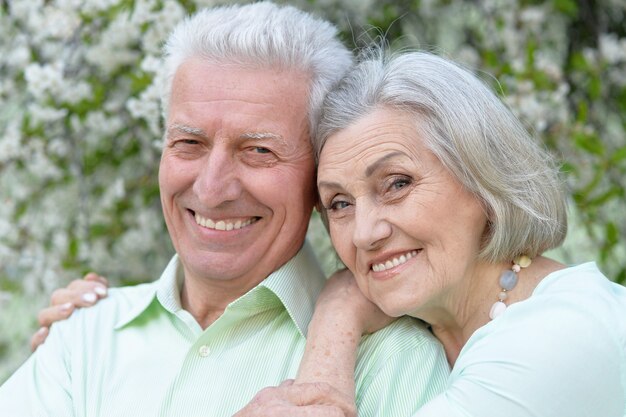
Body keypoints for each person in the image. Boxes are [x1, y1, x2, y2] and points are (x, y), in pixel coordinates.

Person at [0, 5, 450, 416]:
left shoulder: (391, 358)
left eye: (258, 150)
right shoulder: (84, 337)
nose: (212, 189)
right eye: (189, 143)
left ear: (319, 178)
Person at [233, 49, 626, 416]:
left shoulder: (557, 337)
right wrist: (335, 329)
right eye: (340, 204)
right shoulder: (441, 319)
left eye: (397, 183)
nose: (364, 234)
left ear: (481, 178)